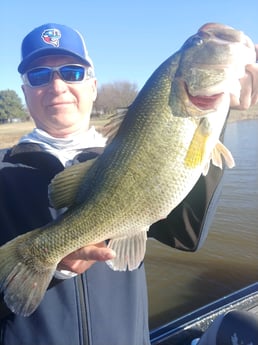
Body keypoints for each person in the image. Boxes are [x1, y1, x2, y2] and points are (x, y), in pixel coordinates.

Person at [0, 23, 257, 345]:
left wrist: (214, 123)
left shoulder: (124, 151)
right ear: (25, 93)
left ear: (93, 86)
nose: (57, 86)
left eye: (72, 73)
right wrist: (56, 266)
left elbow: (186, 236)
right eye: (39, 76)